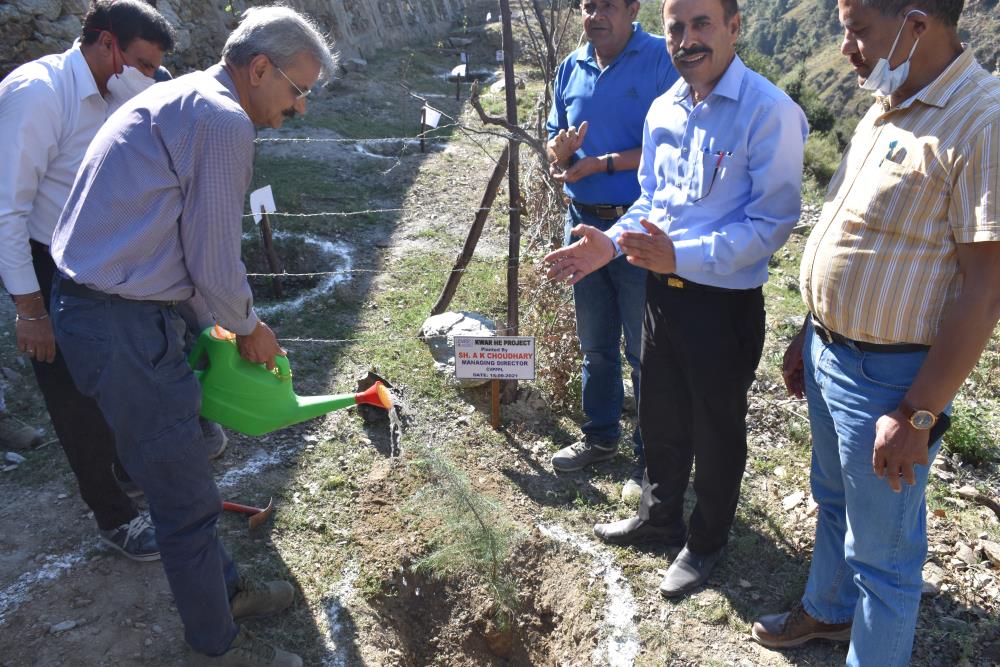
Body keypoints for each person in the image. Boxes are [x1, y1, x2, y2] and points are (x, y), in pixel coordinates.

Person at [50, 6, 336, 665]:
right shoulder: (222, 118)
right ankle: (217, 644)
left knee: (185, 469)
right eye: (297, 90)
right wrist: (248, 327)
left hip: (112, 306)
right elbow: (212, 261)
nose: (298, 108)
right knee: (183, 493)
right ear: (259, 68)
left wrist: (212, 316)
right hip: (118, 321)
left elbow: (181, 239)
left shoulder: (182, 95)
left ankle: (222, 591)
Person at [751, 0, 1000, 663]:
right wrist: (812, 328)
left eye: (858, 30)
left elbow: (984, 291)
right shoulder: (890, 99)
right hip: (833, 355)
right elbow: (849, 225)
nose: (845, 48)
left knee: (885, 563)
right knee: (832, 497)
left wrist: (918, 414)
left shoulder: (982, 121)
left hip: (891, 381)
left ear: (916, 24)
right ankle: (828, 612)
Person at [545, 0, 807, 597]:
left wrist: (678, 257)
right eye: (677, 29)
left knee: (716, 429)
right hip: (660, 293)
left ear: (735, 27)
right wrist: (609, 246)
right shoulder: (665, 109)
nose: (688, 40)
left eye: (702, 25)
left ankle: (705, 541)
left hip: (722, 304)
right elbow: (651, 205)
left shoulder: (770, 112)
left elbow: (770, 226)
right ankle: (658, 518)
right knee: (660, 413)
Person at [0, 0, 175, 561]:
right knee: (70, 393)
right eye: (144, 64)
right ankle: (113, 517)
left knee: (113, 370)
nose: (149, 78)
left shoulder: (119, 83)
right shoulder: (37, 94)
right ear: (106, 44)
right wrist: (30, 309)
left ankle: (124, 467)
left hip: (93, 255)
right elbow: (6, 210)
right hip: (39, 258)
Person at [546, 0, 678, 486]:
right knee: (595, 344)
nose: (595, 15)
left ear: (632, 8)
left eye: (607, 5)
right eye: (587, 5)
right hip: (581, 222)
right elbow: (554, 138)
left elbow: (672, 146)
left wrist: (602, 163)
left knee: (645, 350)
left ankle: (650, 456)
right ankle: (600, 436)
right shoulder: (571, 66)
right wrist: (559, 152)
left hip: (636, 230)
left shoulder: (659, 59)